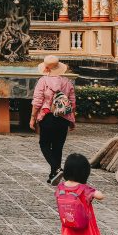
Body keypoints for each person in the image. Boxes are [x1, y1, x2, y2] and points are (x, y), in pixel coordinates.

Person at [56, 153, 105, 235]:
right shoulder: (84, 189)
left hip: (69, 224)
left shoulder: (61, 187)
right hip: (86, 226)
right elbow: (100, 196)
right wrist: (97, 193)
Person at [30, 55, 76, 184]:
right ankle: (53, 174)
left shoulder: (43, 81)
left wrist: (32, 118)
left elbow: (37, 102)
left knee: (44, 144)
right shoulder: (67, 82)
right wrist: (72, 120)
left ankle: (56, 168)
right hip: (63, 118)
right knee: (57, 146)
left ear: (46, 68)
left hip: (47, 116)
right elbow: (72, 103)